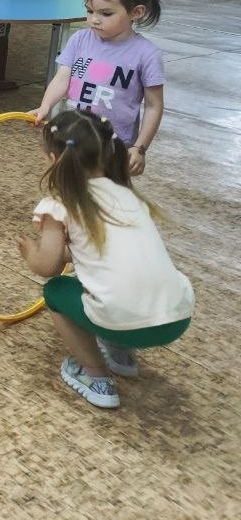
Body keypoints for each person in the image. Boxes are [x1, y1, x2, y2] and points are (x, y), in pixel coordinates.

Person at [17, 109, 194, 410]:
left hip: (124, 320)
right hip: (178, 316)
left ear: (53, 160)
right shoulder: (128, 195)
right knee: (107, 281)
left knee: (56, 291)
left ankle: (96, 377)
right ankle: (121, 354)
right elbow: (105, 252)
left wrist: (31, 252)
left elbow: (48, 267)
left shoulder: (59, 205)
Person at [34, 0, 164, 176]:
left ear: (136, 12)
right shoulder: (79, 40)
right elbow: (62, 79)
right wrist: (45, 106)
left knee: (107, 191)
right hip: (74, 138)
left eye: (106, 13)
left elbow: (153, 106)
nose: (94, 19)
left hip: (114, 146)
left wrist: (139, 148)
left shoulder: (146, 54)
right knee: (71, 187)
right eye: (89, 10)